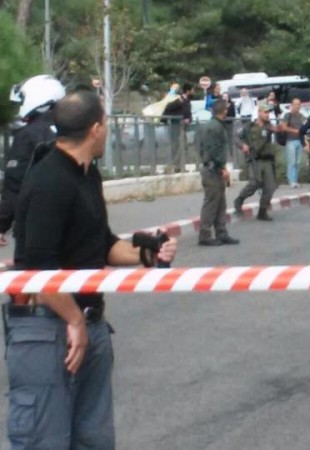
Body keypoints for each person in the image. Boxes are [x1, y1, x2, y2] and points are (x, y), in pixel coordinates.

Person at [6, 89, 178, 449]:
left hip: (86, 322)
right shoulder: (48, 181)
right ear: (96, 128)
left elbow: (101, 245)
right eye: (107, 125)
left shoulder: (87, 175)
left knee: (94, 440)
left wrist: (149, 254)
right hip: (46, 327)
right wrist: (74, 321)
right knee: (44, 440)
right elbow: (40, 268)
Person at [0, 75, 65, 247]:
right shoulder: (71, 131)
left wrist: (2, 224)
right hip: (75, 226)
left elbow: (15, 184)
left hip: (38, 230)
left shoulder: (28, 136)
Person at [198, 100, 240, 245]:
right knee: (212, 203)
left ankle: (221, 232)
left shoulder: (213, 125)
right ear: (223, 110)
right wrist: (221, 168)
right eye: (226, 109)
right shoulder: (215, 127)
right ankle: (204, 234)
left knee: (220, 202)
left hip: (212, 167)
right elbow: (213, 150)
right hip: (212, 169)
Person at [233, 104, 280, 221]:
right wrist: (243, 145)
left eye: (268, 113)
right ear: (259, 112)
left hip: (268, 159)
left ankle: (262, 211)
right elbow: (236, 138)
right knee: (254, 183)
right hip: (255, 159)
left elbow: (278, 129)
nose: (267, 115)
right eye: (265, 112)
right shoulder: (249, 126)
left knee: (270, 186)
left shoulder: (269, 126)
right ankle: (239, 199)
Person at [163, 83, 193, 172]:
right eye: (192, 90)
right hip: (175, 127)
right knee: (176, 147)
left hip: (183, 128)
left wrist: (188, 120)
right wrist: (179, 102)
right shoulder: (176, 100)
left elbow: (189, 115)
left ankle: (180, 166)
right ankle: (175, 166)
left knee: (184, 147)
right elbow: (168, 110)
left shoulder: (187, 101)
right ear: (188, 90)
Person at [281, 98, 306, 188]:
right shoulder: (288, 115)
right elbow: (284, 127)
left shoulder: (301, 116)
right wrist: (295, 131)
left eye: (299, 104)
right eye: (295, 104)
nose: (297, 106)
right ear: (292, 105)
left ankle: (295, 180)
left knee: (298, 162)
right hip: (290, 140)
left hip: (300, 140)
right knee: (292, 161)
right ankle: (291, 180)